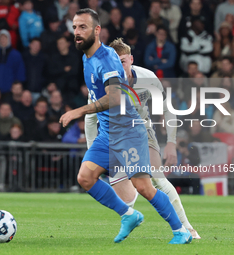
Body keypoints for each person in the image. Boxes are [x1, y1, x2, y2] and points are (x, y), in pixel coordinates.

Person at [59, 8, 192, 244]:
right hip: (107, 134)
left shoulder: (107, 59)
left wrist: (77, 111)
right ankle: (129, 215)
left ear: (97, 30)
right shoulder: (86, 57)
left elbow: (115, 98)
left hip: (130, 133)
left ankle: (181, 230)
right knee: (85, 177)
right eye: (75, 28)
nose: (77, 33)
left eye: (83, 27)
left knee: (146, 186)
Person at [91, 37, 198, 239]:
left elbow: (167, 108)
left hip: (141, 131)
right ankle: (130, 215)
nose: (119, 65)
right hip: (112, 136)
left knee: (158, 179)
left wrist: (171, 144)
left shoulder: (148, 78)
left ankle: (187, 228)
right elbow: (90, 117)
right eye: (115, 61)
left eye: (123, 60)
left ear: (131, 59)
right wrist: (91, 147)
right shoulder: (100, 81)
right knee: (115, 188)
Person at [0, 29, 26, 94]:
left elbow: (20, 71)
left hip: (10, 89)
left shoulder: (16, 54)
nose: (3, 40)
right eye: (1, 38)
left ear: (9, 39)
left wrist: (17, 86)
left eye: (5, 38)